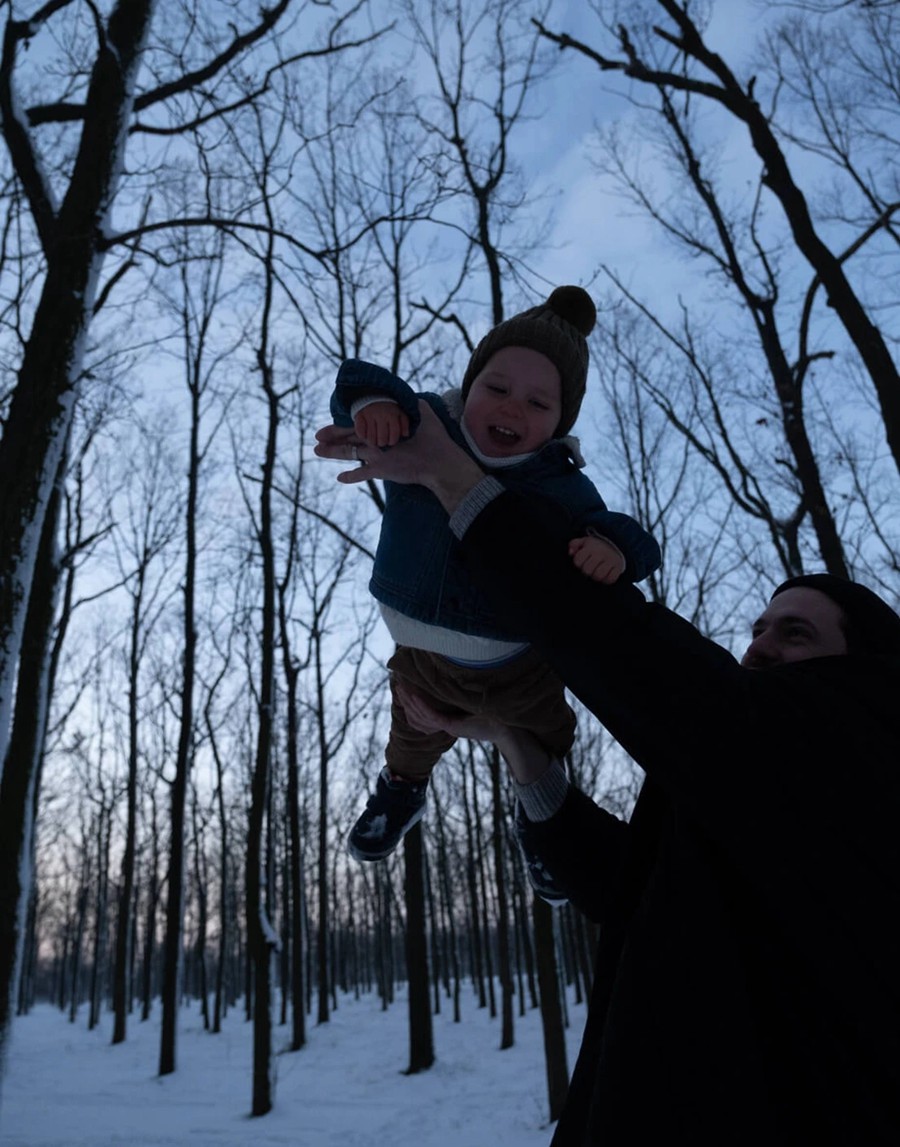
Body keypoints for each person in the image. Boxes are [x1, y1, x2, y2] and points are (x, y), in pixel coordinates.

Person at [315, 400, 900, 1145]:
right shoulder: (754, 794)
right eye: (758, 628)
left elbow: (619, 643)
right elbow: (629, 888)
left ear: (865, 667)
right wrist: (508, 738)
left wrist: (454, 477)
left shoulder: (854, 743)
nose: (757, 646)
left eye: (795, 632)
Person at [327, 286, 660, 864]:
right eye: (497, 389)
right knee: (411, 733)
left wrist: (613, 549)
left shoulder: (562, 483)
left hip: (518, 669)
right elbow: (360, 377)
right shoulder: (426, 425)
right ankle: (402, 790)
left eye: (538, 403)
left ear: (560, 421)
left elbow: (632, 538)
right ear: (470, 386)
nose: (511, 408)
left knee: (547, 735)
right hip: (422, 657)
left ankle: (544, 818)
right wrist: (372, 405)